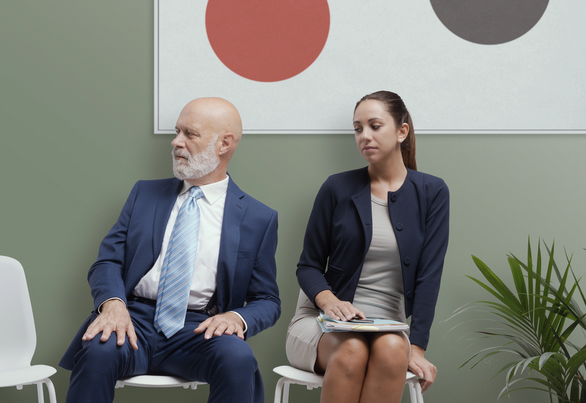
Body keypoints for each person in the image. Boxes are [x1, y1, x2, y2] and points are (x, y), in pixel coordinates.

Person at [59, 97, 281, 403]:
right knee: (98, 349)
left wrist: (236, 319)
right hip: (132, 318)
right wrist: (112, 304)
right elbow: (108, 261)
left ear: (224, 143)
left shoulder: (259, 218)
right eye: (177, 132)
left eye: (189, 134)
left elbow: (267, 300)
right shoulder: (144, 194)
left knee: (238, 358)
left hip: (199, 330)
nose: (176, 142)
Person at [287, 90, 449, 402]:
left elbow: (430, 276)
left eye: (375, 126)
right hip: (322, 323)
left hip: (387, 325)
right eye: (358, 128)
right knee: (352, 350)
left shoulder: (432, 192)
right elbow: (308, 265)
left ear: (402, 131)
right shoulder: (337, 187)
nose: (365, 136)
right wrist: (329, 301)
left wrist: (416, 347)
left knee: (391, 351)